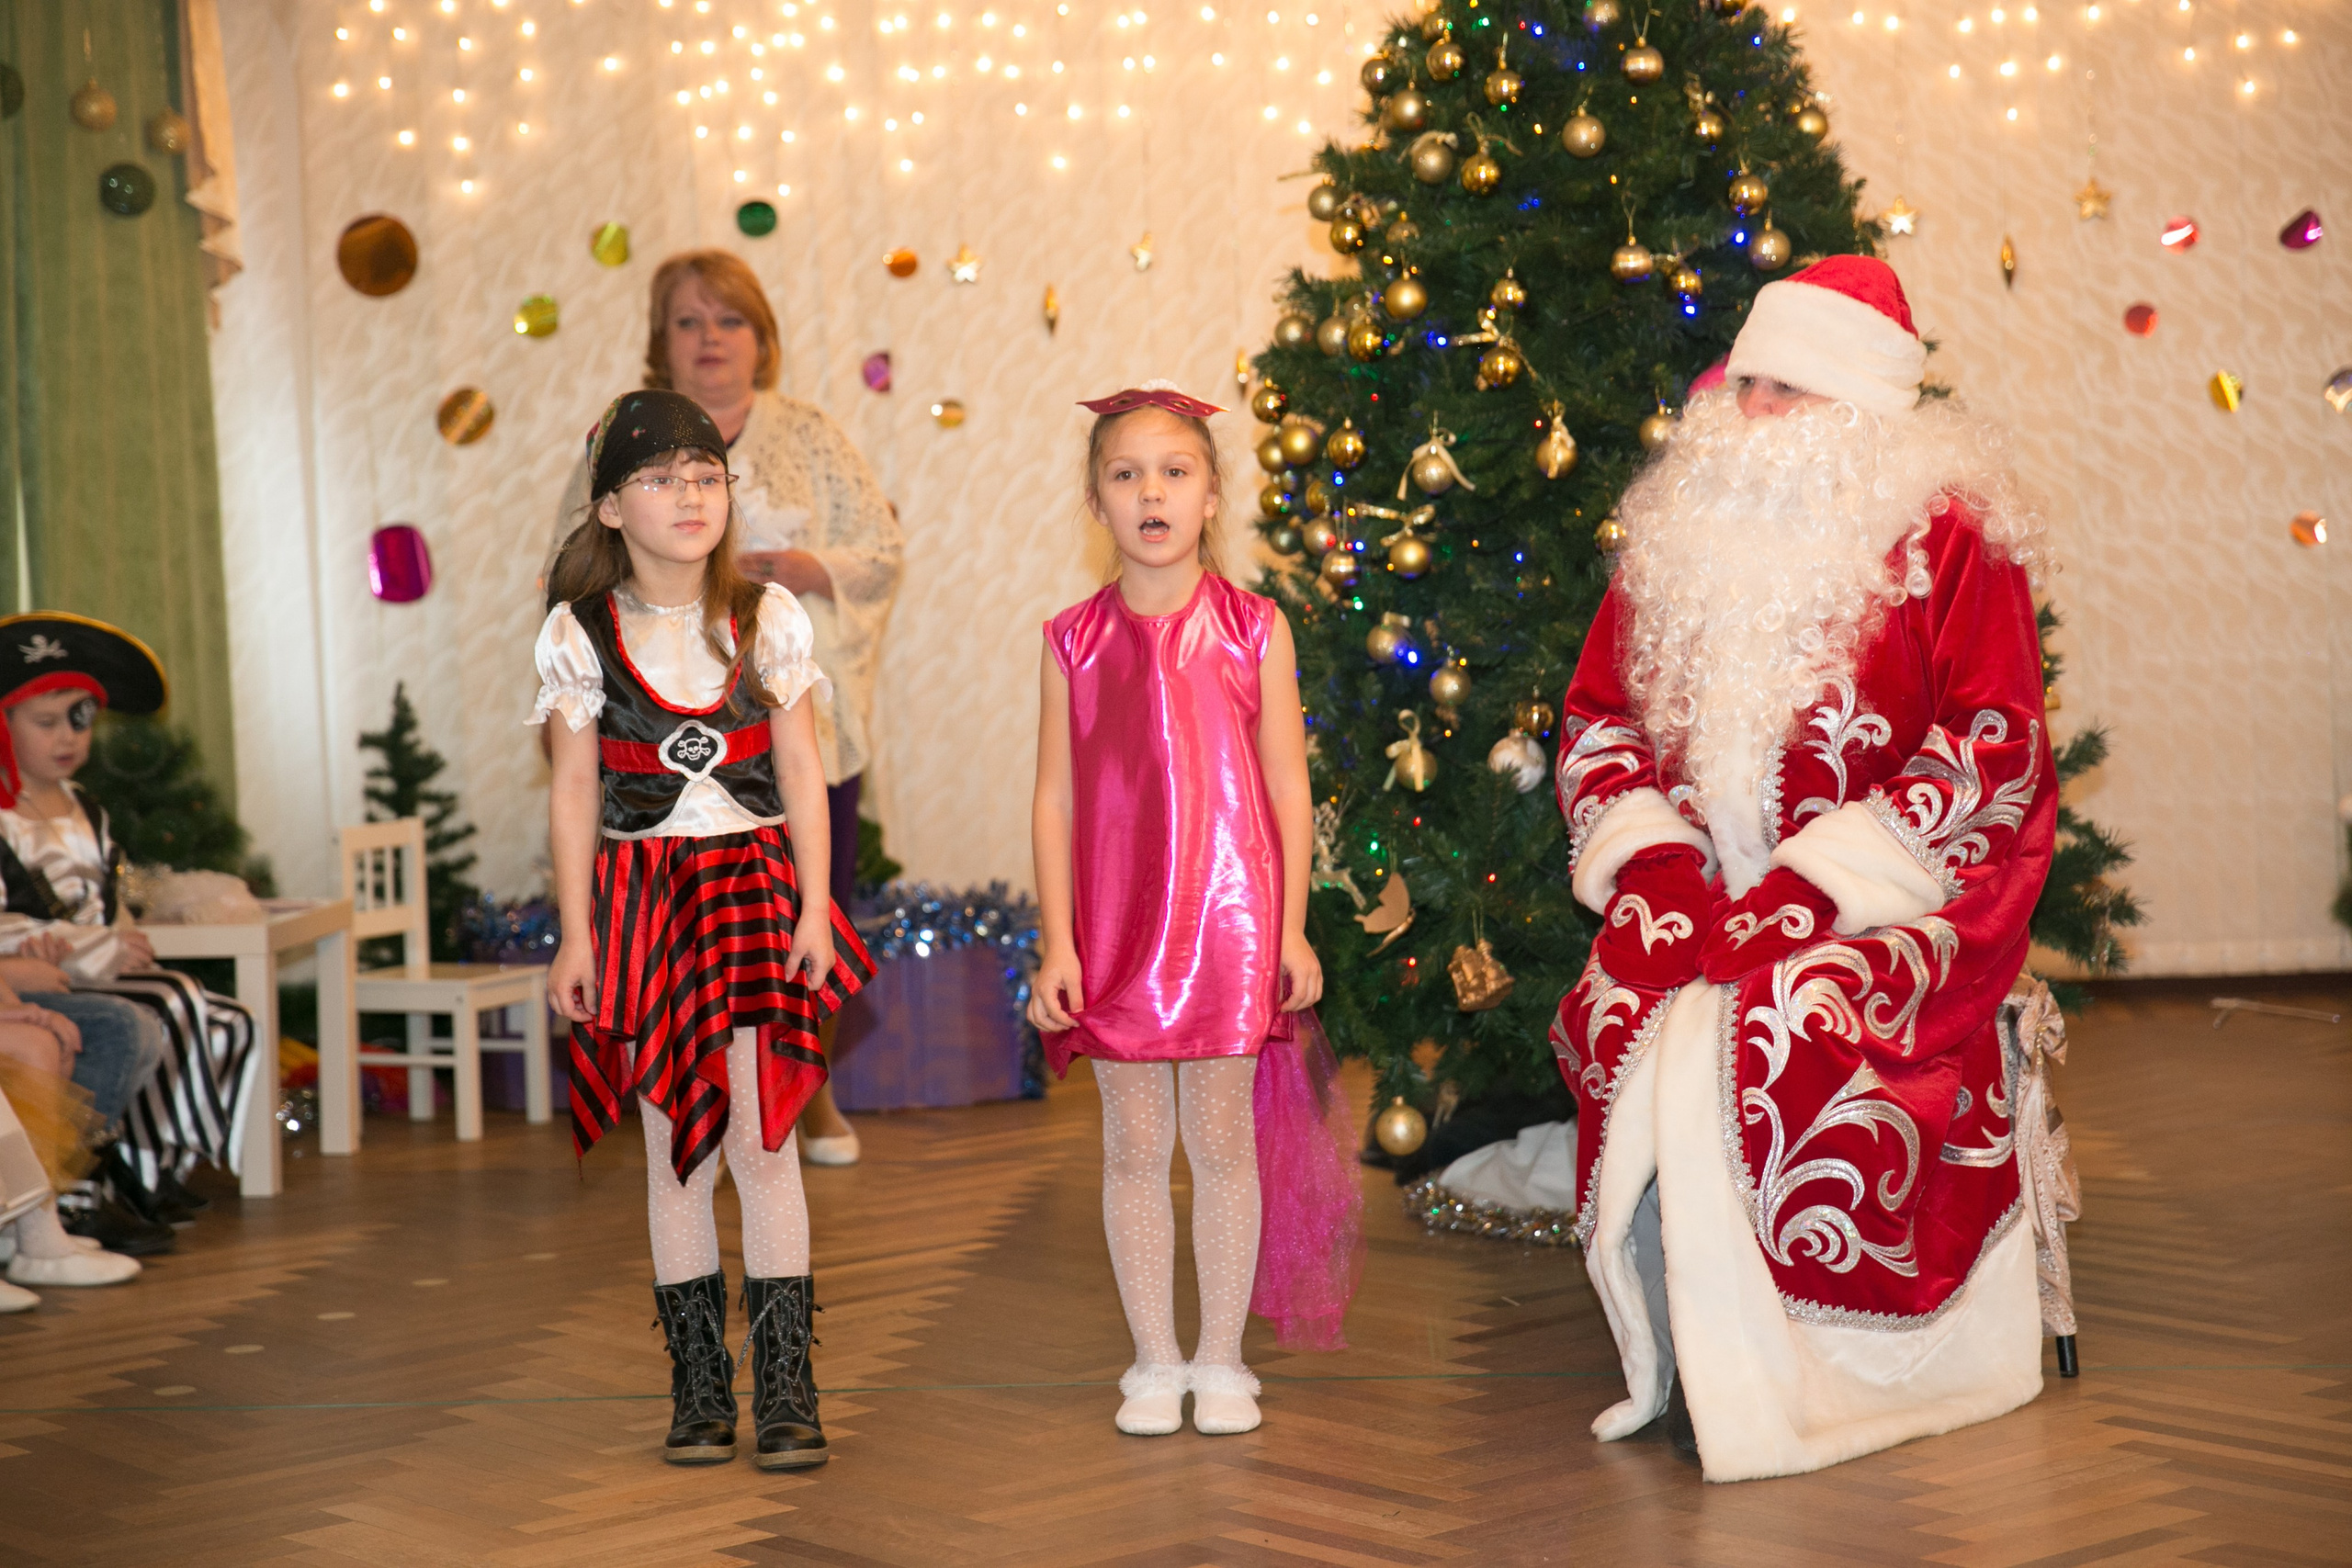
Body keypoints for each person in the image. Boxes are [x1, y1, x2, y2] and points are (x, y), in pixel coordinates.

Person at [1551, 255, 2055, 1482]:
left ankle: (1825, 1367)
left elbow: (1995, 741)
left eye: (1787, 387)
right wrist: (1656, 867)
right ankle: (1692, 1347)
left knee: (1786, 1019)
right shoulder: (1680, 534)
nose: (1747, 406)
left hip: (1897, 896)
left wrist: (1819, 884)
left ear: (1858, 409)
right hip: (1706, 892)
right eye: (1747, 379)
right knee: (1621, 1000)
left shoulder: (1949, 538)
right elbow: (1600, 715)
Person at [534, 389, 876, 1470]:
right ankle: (697, 1392)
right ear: (608, 510)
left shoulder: (769, 618)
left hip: (751, 892)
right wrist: (577, 934)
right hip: (641, 905)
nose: (688, 496)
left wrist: (816, 905)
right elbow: (572, 793)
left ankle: (785, 1392)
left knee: (763, 1141)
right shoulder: (577, 636)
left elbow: (804, 774)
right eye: (658, 479)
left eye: (705, 476)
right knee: (672, 1158)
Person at [1029, 384, 1361, 1440]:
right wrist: (1056, 942)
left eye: (1174, 471)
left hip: (1227, 922)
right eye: (1125, 475)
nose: (1151, 493)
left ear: (1212, 495)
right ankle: (1153, 1359)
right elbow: (1054, 795)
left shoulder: (1253, 629)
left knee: (1220, 1144)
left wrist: (1293, 925)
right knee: (1132, 1147)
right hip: (1119, 933)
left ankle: (1220, 1360)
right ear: (1096, 502)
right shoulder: (1070, 641)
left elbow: (1286, 786)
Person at [545, 251, 902, 1166]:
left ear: (763, 339)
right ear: (659, 342)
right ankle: (685, 1092)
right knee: (675, 936)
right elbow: (569, 561)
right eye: (688, 321)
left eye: (729, 320)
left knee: (800, 913)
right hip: (657, 743)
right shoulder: (616, 435)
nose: (710, 339)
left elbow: (877, 552)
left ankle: (803, 1089)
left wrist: (782, 572)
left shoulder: (811, 433)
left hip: (780, 723)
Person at [0, 614, 254, 1255]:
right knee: (155, 1009)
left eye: (79, 718)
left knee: (217, 1014)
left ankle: (149, 1161)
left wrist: (121, 934)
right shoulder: (8, 817)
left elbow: (106, 901)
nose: (67, 737)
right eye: (46, 721)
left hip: (84, 965)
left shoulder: (86, 807)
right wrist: (98, 947)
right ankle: (86, 1181)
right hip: (38, 977)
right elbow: (15, 929)